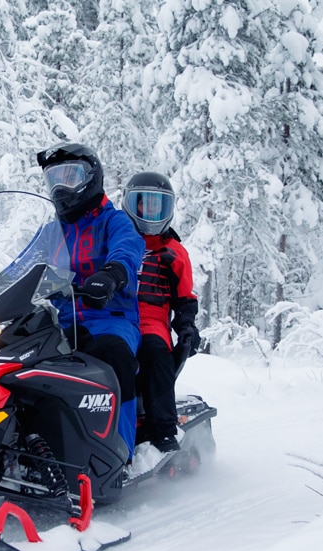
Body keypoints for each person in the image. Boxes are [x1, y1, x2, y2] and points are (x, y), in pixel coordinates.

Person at [36, 143, 145, 456]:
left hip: (109, 320)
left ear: (90, 178)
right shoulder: (50, 232)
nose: (60, 186)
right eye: (53, 178)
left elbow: (128, 248)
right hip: (60, 322)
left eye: (69, 177)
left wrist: (111, 274)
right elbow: (25, 263)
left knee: (114, 358)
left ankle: (120, 451)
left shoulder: (115, 221)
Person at [119, 172, 200, 453]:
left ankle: (163, 429)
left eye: (158, 206)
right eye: (145, 205)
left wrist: (187, 327)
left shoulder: (173, 252)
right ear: (131, 205)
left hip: (151, 322)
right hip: (114, 318)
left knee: (156, 355)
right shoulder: (117, 242)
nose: (151, 212)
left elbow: (185, 297)